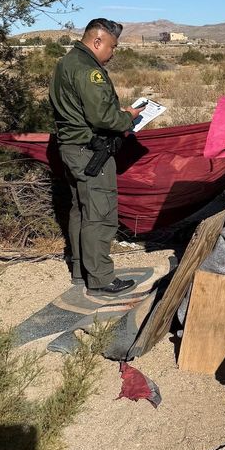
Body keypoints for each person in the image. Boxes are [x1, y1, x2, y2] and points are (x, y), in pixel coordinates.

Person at [49, 18, 145, 295]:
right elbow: (102, 117)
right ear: (97, 41)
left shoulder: (66, 63)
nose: (113, 53)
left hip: (72, 148)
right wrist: (128, 116)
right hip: (91, 152)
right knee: (99, 214)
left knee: (80, 211)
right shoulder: (89, 70)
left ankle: (81, 270)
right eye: (112, 47)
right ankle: (101, 279)